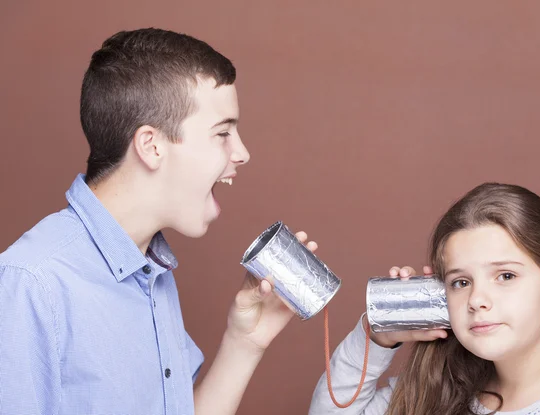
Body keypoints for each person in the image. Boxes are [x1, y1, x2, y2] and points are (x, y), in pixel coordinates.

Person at [0, 27, 318, 415]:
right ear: (151, 146)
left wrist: (245, 341)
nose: (242, 152)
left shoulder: (151, 270)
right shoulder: (31, 284)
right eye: (222, 133)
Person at [309, 183, 540, 414]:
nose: (476, 299)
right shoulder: (434, 395)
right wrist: (378, 335)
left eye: (506, 276)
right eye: (461, 282)